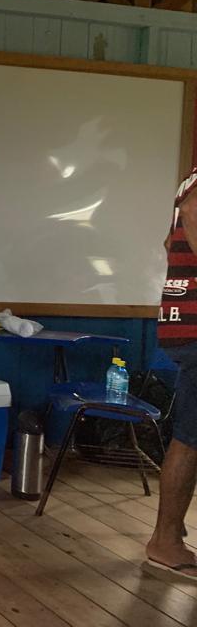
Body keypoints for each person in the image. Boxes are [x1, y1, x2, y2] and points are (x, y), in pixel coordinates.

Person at [147, 166, 197, 579]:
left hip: (183, 324)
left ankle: (171, 528)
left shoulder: (190, 180)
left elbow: (170, 241)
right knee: (191, 437)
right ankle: (165, 540)